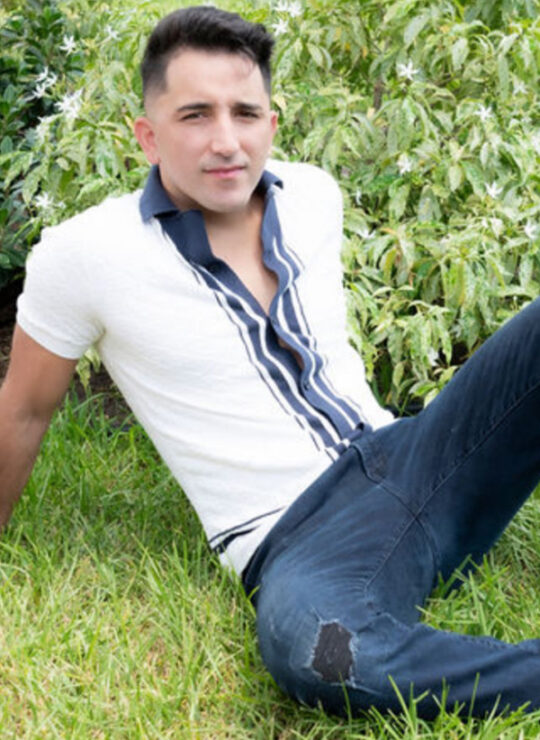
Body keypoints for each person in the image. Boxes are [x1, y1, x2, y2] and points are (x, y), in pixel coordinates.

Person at [0, 4, 539, 720]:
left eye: (245, 113)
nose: (226, 141)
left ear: (272, 124)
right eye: (195, 115)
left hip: (420, 454)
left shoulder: (313, 194)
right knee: (327, 657)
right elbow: (24, 410)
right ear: (147, 135)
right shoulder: (83, 256)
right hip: (302, 534)